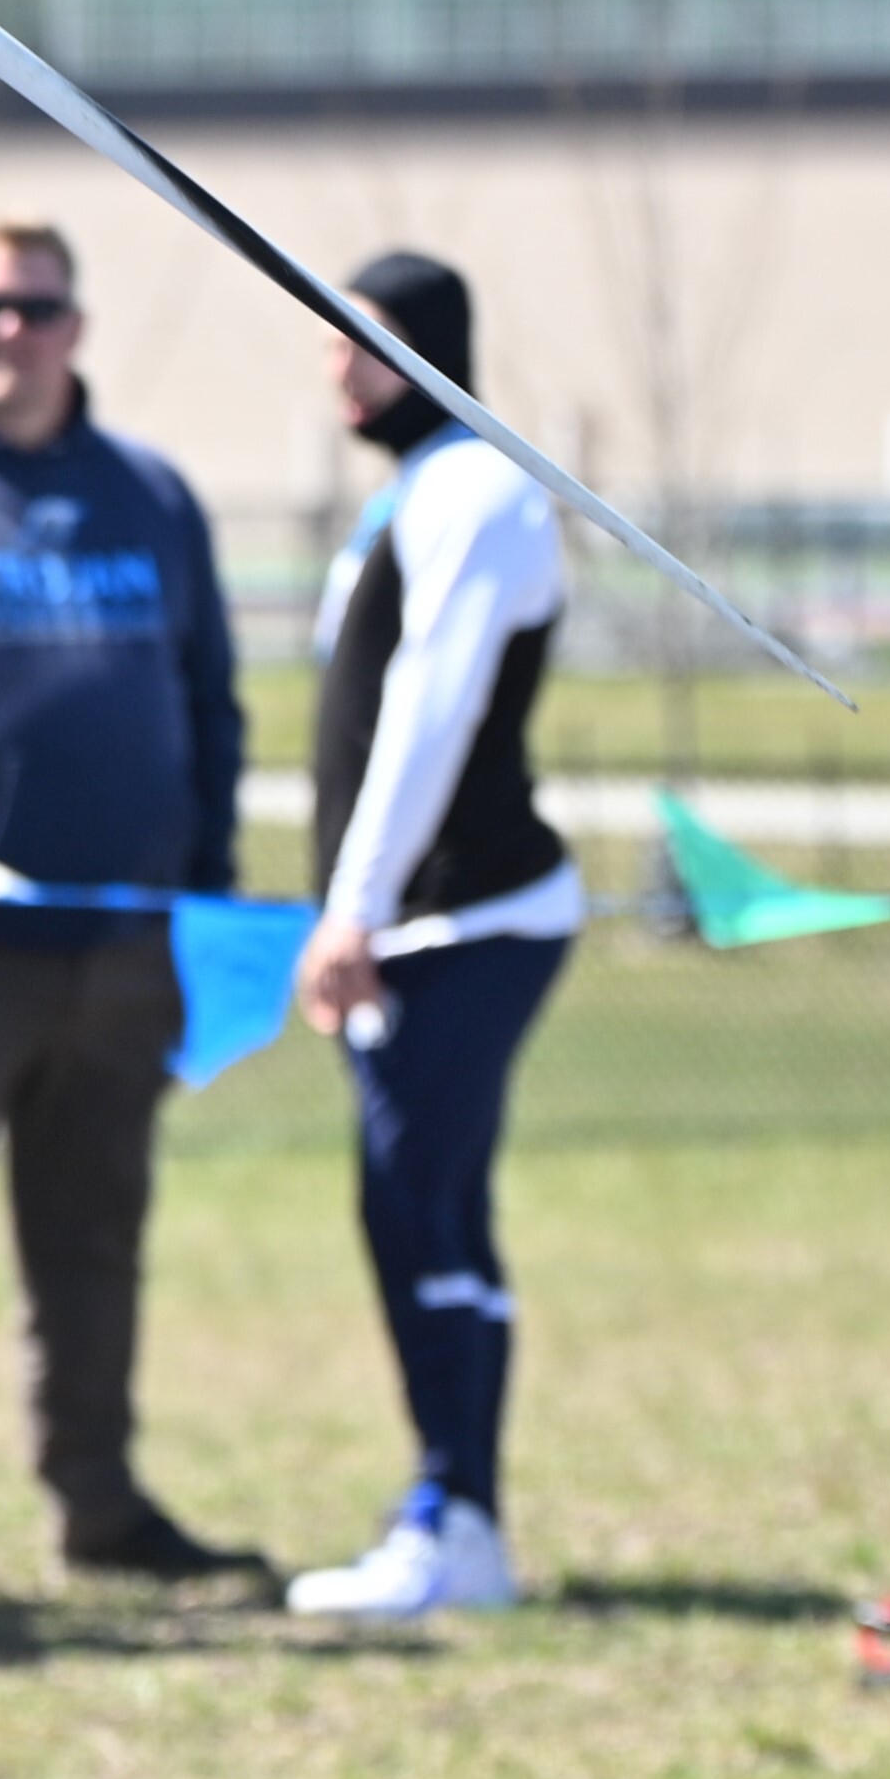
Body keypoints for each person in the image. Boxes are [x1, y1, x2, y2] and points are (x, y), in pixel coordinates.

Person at [0, 221, 261, 1585]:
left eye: (36, 308)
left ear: (74, 328)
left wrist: (202, 887)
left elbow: (209, 702)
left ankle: (99, 1503)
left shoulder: (147, 493)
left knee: (95, 1240)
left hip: (128, 943)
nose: (9, 332)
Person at [276, 252, 580, 1622]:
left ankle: (457, 1516)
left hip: (465, 918)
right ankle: (457, 1513)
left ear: (431, 348)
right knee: (415, 1206)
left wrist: (357, 905)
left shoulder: (480, 488)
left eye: (364, 338)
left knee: (421, 1206)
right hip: (417, 922)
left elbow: (433, 709)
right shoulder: (417, 491)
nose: (339, 366)